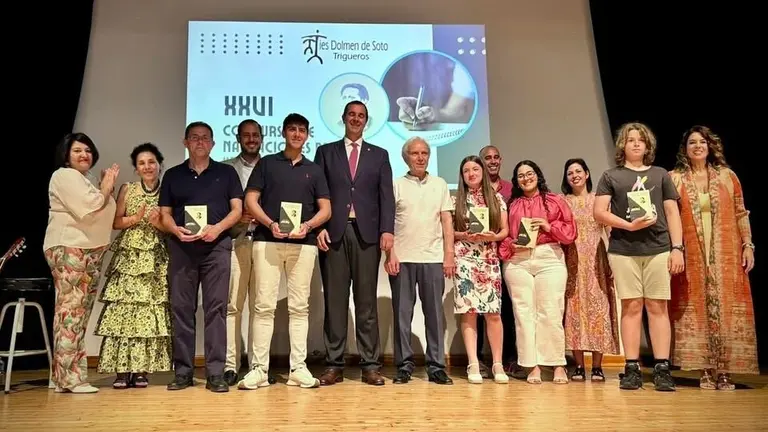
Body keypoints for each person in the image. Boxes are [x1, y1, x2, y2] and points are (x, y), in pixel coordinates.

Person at [238, 113, 331, 389]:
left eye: (302, 130)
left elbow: (326, 209)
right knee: (263, 306)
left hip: (304, 244)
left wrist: (308, 225)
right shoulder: (267, 163)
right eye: (292, 129)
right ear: (283, 133)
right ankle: (259, 369)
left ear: (307, 135)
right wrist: (270, 223)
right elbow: (250, 199)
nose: (297, 134)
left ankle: (298, 369)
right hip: (267, 241)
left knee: (299, 307)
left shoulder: (314, 170)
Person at [593, 121, 684, 392]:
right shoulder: (611, 176)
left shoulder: (660, 174)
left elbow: (672, 212)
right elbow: (599, 212)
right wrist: (628, 225)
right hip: (624, 249)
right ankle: (631, 367)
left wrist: (677, 248)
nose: (635, 143)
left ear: (647, 145)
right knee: (631, 307)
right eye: (630, 139)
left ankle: (662, 368)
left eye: (640, 140)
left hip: (658, 248)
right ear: (623, 145)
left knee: (657, 307)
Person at [668, 125, 758, 390]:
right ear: (685, 149)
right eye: (692, 142)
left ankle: (725, 371)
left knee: (726, 307)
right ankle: (705, 369)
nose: (698, 146)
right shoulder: (675, 178)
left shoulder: (727, 176)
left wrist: (748, 245)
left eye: (702, 142)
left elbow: (741, 212)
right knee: (696, 307)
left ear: (710, 147)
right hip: (691, 252)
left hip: (725, 252)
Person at [314, 100, 395, 386]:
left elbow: (386, 197)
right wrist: (318, 227)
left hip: (367, 236)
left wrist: (387, 230)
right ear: (344, 117)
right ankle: (334, 364)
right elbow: (316, 193)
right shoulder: (325, 152)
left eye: (361, 116)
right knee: (335, 302)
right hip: (333, 234)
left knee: (366, 303)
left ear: (366, 121)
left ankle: (370, 365)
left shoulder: (380, 155)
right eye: (352, 114)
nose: (356, 119)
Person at [159, 121, 243, 392]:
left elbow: (237, 210)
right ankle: (183, 372)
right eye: (194, 138)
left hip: (217, 248)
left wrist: (217, 228)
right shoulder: (172, 175)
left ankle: (216, 373)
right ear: (185, 143)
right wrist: (175, 230)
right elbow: (164, 214)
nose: (200, 142)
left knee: (216, 310)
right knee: (182, 309)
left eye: (205, 138)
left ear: (213, 143)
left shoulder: (226, 173)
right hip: (182, 248)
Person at [43, 132, 118, 393]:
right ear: (66, 155)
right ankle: (70, 379)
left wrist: (104, 189)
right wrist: (106, 188)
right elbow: (89, 206)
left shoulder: (85, 179)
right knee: (71, 311)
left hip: (88, 250)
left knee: (79, 313)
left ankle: (62, 376)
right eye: (77, 150)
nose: (84, 154)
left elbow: (100, 208)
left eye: (87, 150)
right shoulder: (64, 175)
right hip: (70, 246)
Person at [95, 143, 172, 389]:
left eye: (151, 162)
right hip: (129, 257)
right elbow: (116, 222)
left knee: (149, 312)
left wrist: (159, 224)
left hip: (154, 257)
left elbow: (172, 228)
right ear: (136, 168)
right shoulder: (128, 188)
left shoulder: (167, 190)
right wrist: (135, 219)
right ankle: (121, 371)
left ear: (159, 165)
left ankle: (141, 370)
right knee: (124, 311)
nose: (147, 167)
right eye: (141, 163)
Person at [384, 137, 454, 385]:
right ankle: (404, 366)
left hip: (433, 258)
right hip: (402, 259)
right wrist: (390, 254)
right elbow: (388, 223)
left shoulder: (440, 184)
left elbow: (447, 221)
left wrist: (448, 255)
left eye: (424, 153)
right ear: (406, 157)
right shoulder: (396, 185)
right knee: (402, 316)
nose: (421, 157)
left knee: (434, 315)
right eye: (415, 153)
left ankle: (436, 366)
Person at [499, 160, 576, 385]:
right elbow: (503, 236)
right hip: (518, 260)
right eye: (521, 175)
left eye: (529, 173)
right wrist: (513, 244)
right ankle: (532, 366)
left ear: (537, 175)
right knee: (523, 314)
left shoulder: (555, 200)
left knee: (551, 311)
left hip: (548, 256)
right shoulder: (511, 205)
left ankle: (557, 364)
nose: (526, 178)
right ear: (516, 181)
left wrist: (548, 226)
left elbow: (570, 232)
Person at [221, 119, 276, 386]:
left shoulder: (273, 167)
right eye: (246, 135)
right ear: (238, 138)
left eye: (256, 135)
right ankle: (230, 365)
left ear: (262, 138)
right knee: (233, 306)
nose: (251, 139)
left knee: (261, 306)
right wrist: (236, 216)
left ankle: (259, 366)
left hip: (266, 241)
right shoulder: (225, 168)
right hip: (237, 240)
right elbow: (218, 205)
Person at [560, 158, 620, 382]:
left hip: (596, 259)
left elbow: (611, 230)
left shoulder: (598, 199)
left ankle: (597, 367)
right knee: (573, 310)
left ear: (586, 174)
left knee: (598, 309)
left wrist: (614, 259)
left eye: (578, 171)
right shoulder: (563, 201)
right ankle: (578, 365)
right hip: (571, 260)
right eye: (570, 173)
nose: (574, 175)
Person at [452, 155, 510, 384]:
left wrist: (492, 236)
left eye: (475, 169)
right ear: (462, 175)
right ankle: (473, 363)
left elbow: (504, 230)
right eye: (466, 170)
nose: (471, 173)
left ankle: (497, 363)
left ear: (483, 172)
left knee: (493, 313)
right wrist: (464, 235)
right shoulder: (456, 200)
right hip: (464, 260)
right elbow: (449, 232)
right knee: (469, 313)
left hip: (488, 258)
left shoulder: (496, 198)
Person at [477, 144, 517, 377]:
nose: (492, 161)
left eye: (496, 157)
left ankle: (508, 359)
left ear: (500, 160)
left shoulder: (511, 189)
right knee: (479, 308)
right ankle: (480, 360)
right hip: (479, 257)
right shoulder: (473, 190)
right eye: (487, 158)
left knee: (506, 309)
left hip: (505, 254)